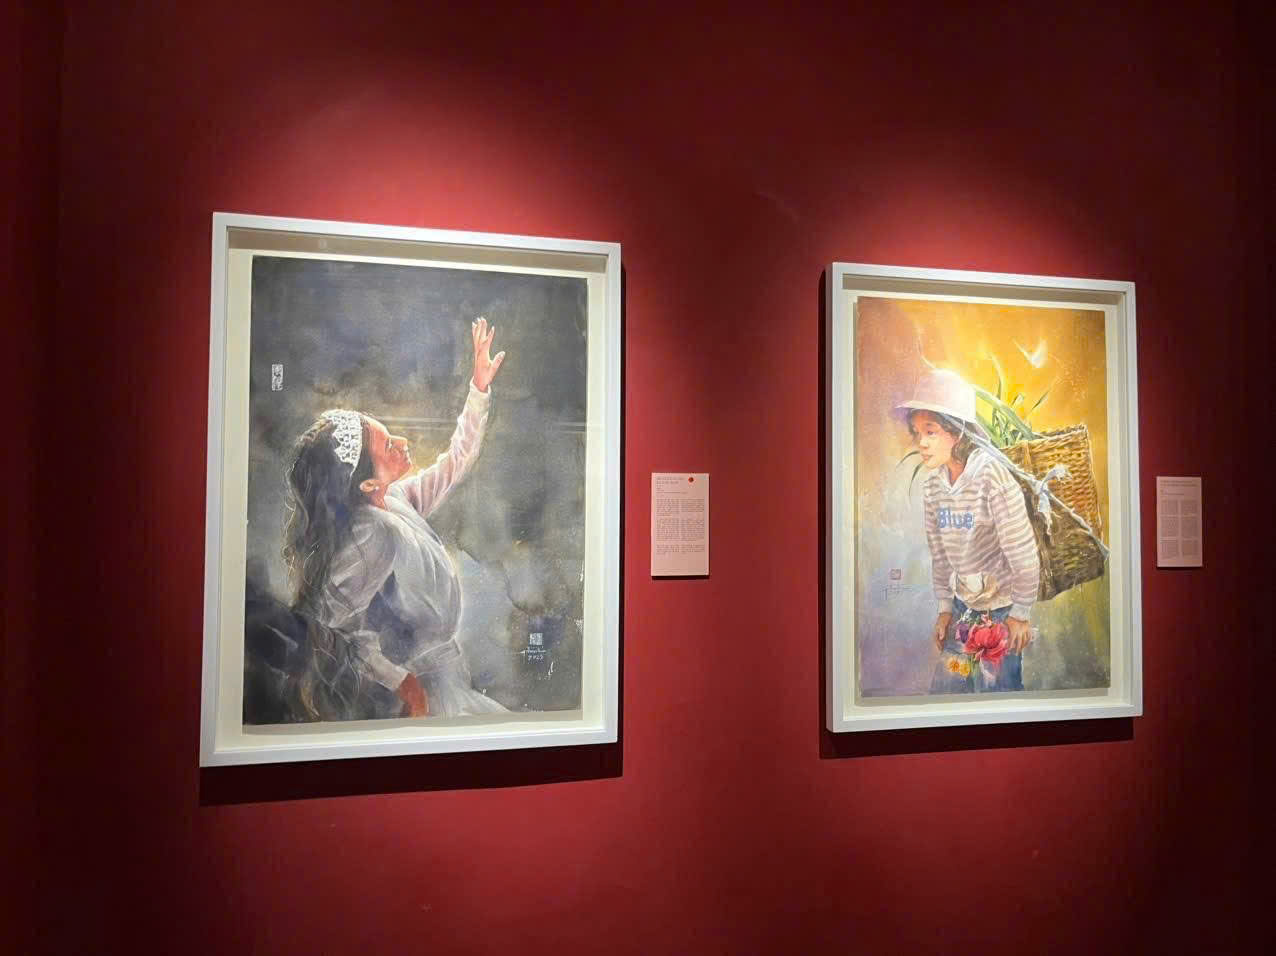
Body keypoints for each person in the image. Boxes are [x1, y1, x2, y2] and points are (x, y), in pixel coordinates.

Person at [281, 317, 507, 720]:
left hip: (451, 678)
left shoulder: (397, 499)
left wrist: (478, 388)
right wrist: (403, 683)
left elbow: (455, 463)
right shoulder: (373, 531)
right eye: (388, 445)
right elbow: (332, 626)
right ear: (367, 483)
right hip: (427, 693)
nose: (402, 442)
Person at [897, 369, 1040, 693]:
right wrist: (945, 609)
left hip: (1002, 610)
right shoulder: (933, 487)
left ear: (957, 431)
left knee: (998, 693)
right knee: (948, 690)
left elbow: (1022, 551)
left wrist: (1020, 613)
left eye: (931, 432)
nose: (921, 443)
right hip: (963, 609)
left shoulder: (992, 477)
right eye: (917, 432)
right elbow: (940, 556)